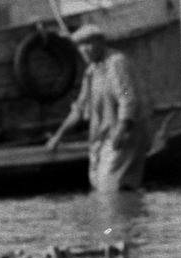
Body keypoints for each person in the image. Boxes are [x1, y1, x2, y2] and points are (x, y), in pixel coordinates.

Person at [45, 21, 150, 194]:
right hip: (101, 139)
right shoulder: (91, 72)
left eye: (89, 43)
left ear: (101, 42)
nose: (84, 50)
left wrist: (121, 129)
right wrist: (58, 136)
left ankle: (127, 216)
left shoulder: (116, 63)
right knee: (101, 187)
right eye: (80, 45)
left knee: (112, 188)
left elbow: (126, 96)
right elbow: (79, 109)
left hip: (121, 136)